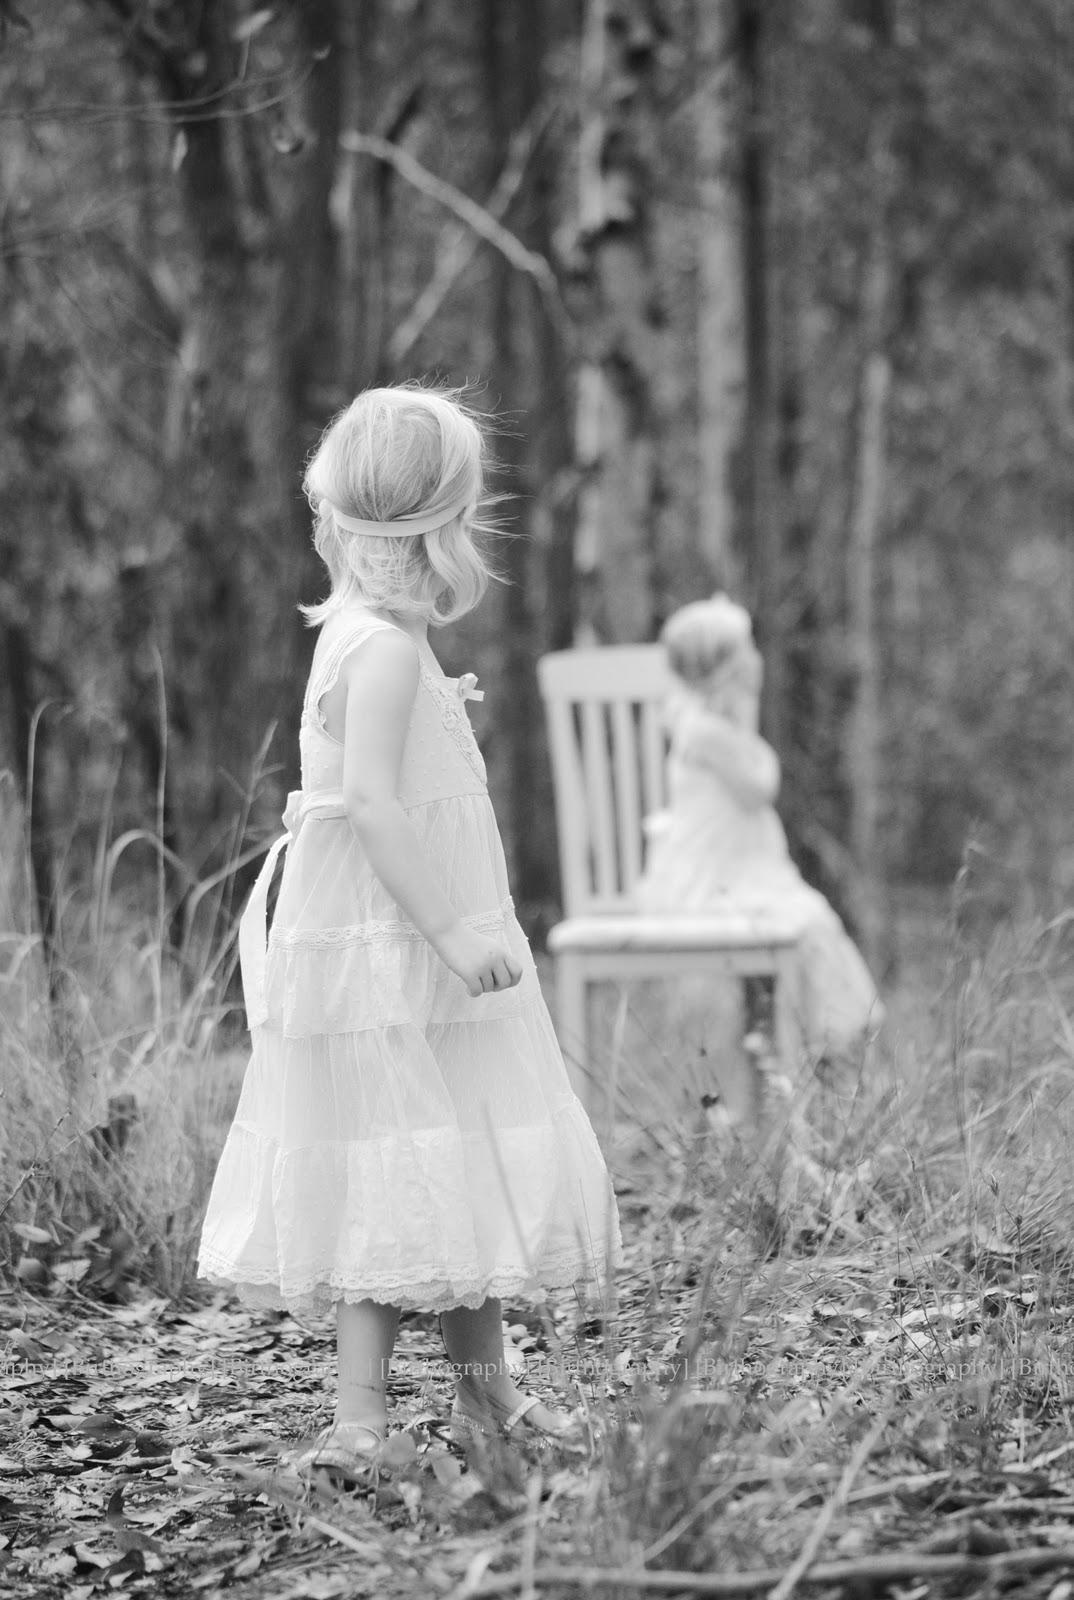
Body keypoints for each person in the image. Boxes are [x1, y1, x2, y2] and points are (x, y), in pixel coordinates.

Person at [197, 383, 622, 1474]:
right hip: (399, 947)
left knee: (454, 1161)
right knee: (393, 1168)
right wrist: (453, 936)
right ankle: (359, 1420)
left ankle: (487, 1400)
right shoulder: (381, 651)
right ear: (447, 525)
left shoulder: (379, 636)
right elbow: (377, 810)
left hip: (410, 942)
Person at [634, 592, 883, 1061]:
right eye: (747, 650)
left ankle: (816, 1048)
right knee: (810, 922)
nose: (757, 659)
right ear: (725, 670)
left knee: (812, 922)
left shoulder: (715, 728)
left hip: (738, 870)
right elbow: (759, 787)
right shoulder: (704, 732)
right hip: (713, 882)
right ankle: (822, 1048)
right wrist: (747, 716)